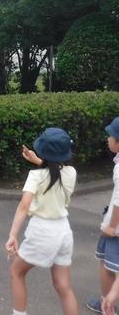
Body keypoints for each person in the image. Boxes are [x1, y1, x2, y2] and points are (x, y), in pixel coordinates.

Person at [5, 127, 78, 315]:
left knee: (17, 272)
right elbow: (55, 172)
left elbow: (24, 206)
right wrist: (37, 161)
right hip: (64, 231)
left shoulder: (36, 176)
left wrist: (13, 235)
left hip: (42, 233)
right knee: (64, 286)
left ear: (42, 151)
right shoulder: (71, 173)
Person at [86, 117, 119, 315]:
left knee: (107, 264)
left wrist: (112, 226)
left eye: (111, 136)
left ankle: (107, 304)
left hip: (115, 230)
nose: (108, 139)